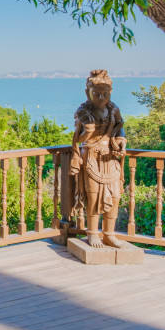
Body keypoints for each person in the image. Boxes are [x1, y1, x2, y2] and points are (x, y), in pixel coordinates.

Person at [70, 69, 127, 248]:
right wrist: (88, 132)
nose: (101, 98)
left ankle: (109, 234)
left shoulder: (113, 109)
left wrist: (121, 141)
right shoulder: (83, 111)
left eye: (105, 93)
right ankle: (93, 233)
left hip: (110, 157)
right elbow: (77, 139)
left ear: (110, 92)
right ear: (87, 92)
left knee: (115, 197)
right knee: (93, 198)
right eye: (96, 94)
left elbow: (120, 127)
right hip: (91, 157)